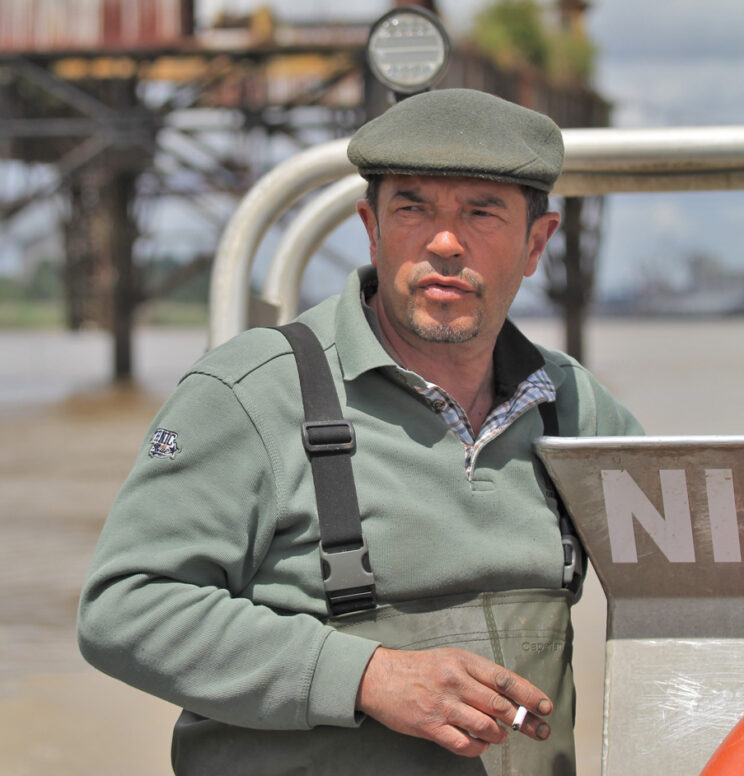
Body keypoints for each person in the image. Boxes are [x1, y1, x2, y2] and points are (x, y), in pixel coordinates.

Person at [78, 88, 642, 776]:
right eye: (413, 208)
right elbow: (124, 610)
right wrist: (367, 677)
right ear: (371, 228)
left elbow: (697, 571)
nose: (444, 241)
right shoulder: (248, 394)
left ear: (537, 243)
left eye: (481, 212)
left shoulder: (579, 408)